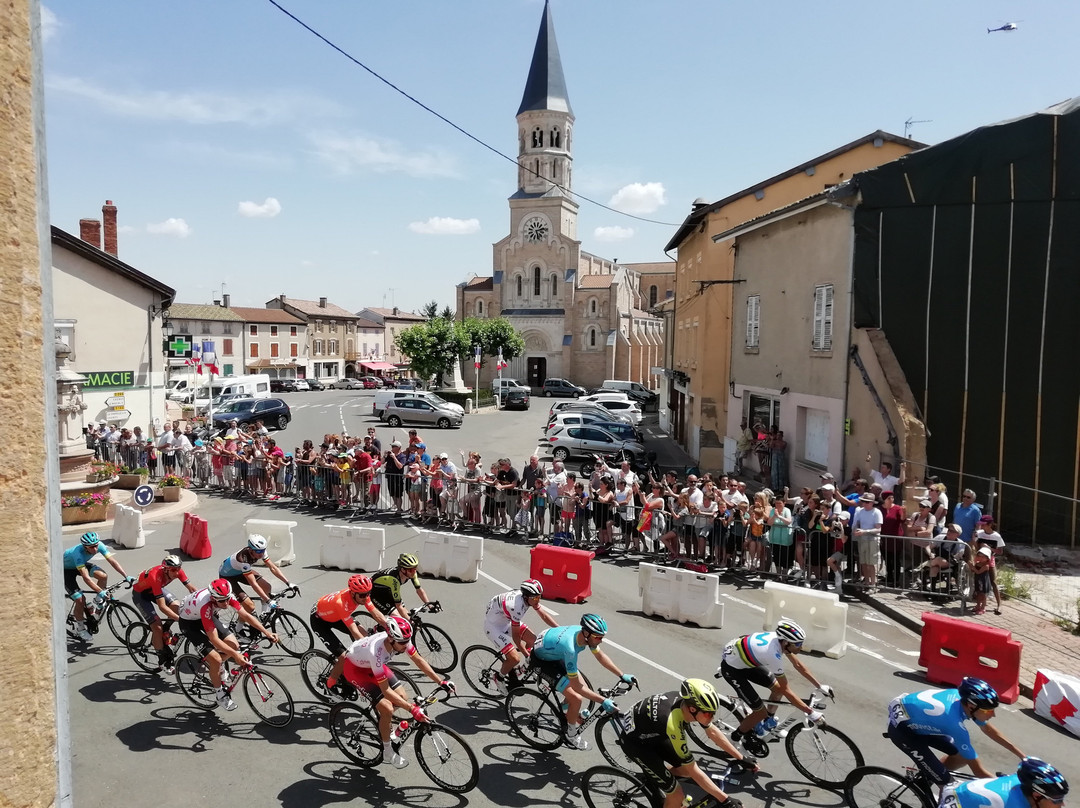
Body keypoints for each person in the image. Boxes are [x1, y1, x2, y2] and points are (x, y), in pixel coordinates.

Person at [619, 678, 757, 808]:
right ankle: (659, 780)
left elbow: (712, 732)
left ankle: (656, 778)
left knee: (685, 771)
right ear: (692, 709)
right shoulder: (673, 724)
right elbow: (695, 770)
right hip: (636, 745)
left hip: (653, 733)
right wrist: (725, 799)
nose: (712, 717)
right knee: (676, 795)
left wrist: (741, 758)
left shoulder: (687, 703)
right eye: (709, 714)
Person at [341, 615, 455, 769]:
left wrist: (440, 681)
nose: (406, 645)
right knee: (387, 708)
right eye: (402, 643)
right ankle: (387, 751)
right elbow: (386, 690)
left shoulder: (401, 640)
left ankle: (382, 720)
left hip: (373, 667)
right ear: (390, 639)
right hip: (355, 670)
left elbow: (419, 660)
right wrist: (411, 708)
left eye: (407, 641)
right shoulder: (377, 652)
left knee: (402, 696)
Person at [887, 677, 1026, 791]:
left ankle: (928, 776)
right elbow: (979, 772)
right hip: (903, 732)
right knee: (949, 788)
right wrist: (1008, 789)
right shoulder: (954, 724)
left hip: (916, 719)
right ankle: (933, 776)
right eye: (988, 711)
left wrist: (1022, 756)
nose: (993, 715)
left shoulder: (963, 702)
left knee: (961, 756)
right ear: (971, 706)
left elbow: (989, 730)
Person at [718, 620, 834, 746]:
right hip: (732, 670)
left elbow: (798, 665)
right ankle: (734, 738)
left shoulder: (781, 641)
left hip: (745, 660)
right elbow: (786, 689)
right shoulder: (773, 654)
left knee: (777, 689)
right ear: (786, 642)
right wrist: (810, 712)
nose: (801, 647)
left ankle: (769, 721)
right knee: (759, 712)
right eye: (798, 644)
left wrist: (819, 686)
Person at [531, 614, 637, 749]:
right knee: (577, 698)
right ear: (587, 633)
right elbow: (577, 687)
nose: (601, 641)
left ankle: (564, 709)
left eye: (602, 637)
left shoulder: (584, 636)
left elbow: (600, 656)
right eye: (598, 637)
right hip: (542, 661)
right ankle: (571, 734)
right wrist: (603, 701)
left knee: (583, 688)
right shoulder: (570, 649)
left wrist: (622, 675)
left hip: (553, 651)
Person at [177, 579, 279, 711]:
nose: (225, 603)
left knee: (233, 645)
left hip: (205, 616)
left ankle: (217, 667)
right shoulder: (206, 605)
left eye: (226, 599)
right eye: (221, 601)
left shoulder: (226, 596)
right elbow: (213, 639)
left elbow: (246, 615)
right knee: (216, 659)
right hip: (189, 623)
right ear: (213, 598)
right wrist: (235, 656)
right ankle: (220, 695)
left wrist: (267, 632)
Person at [314, 575, 389, 696]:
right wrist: (369, 648)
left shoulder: (363, 594)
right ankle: (330, 682)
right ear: (353, 593)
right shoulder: (341, 602)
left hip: (337, 616)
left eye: (368, 594)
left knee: (365, 633)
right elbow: (353, 630)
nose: (366, 598)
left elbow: (376, 613)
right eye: (362, 595)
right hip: (320, 621)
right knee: (344, 657)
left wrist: (389, 627)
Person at [483, 579, 559, 693]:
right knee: (515, 658)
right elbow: (516, 638)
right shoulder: (516, 607)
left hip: (505, 619)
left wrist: (559, 628)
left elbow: (544, 615)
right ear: (525, 597)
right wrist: (525, 654)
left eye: (539, 597)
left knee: (534, 641)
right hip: (494, 627)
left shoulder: (529, 599)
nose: (537, 600)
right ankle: (499, 677)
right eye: (535, 598)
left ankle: (521, 669)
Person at [63, 531, 135, 642]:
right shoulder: (77, 553)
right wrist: (100, 591)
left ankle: (98, 601)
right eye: (92, 547)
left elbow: (112, 561)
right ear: (85, 547)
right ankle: (80, 629)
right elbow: (86, 578)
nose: (95, 549)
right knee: (80, 600)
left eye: (96, 545)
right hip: (66, 571)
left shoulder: (99, 545)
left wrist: (126, 576)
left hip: (80, 565)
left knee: (103, 576)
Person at [131, 554, 198, 670]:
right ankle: (161, 659)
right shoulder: (155, 576)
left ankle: (166, 629)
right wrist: (180, 620)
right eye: (173, 570)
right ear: (166, 570)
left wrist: (201, 603)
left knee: (179, 608)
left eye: (178, 569)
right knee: (157, 627)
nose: (177, 573)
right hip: (141, 595)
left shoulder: (177, 571)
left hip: (155, 590)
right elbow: (162, 607)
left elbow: (192, 589)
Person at [944, 757, 1068, 808]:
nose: (1063, 804)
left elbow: (1030, 760)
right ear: (1037, 795)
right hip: (958, 800)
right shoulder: (1013, 804)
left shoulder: (1023, 782)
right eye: (1057, 800)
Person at [370, 553, 433, 621]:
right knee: (399, 617)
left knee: (407, 614)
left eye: (415, 568)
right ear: (403, 570)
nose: (414, 572)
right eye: (411, 570)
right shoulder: (394, 580)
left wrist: (429, 605)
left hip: (388, 591)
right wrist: (410, 621)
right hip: (376, 594)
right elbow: (398, 606)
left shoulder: (411, 573)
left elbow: (419, 590)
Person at [851, 492, 883, 588]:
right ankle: (867, 582)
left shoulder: (877, 512)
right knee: (863, 562)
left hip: (873, 540)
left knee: (871, 563)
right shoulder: (860, 511)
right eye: (863, 501)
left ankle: (873, 584)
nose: (865, 503)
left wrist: (865, 531)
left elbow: (878, 529)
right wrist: (856, 531)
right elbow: (857, 524)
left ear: (872, 503)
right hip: (862, 539)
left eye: (867, 502)